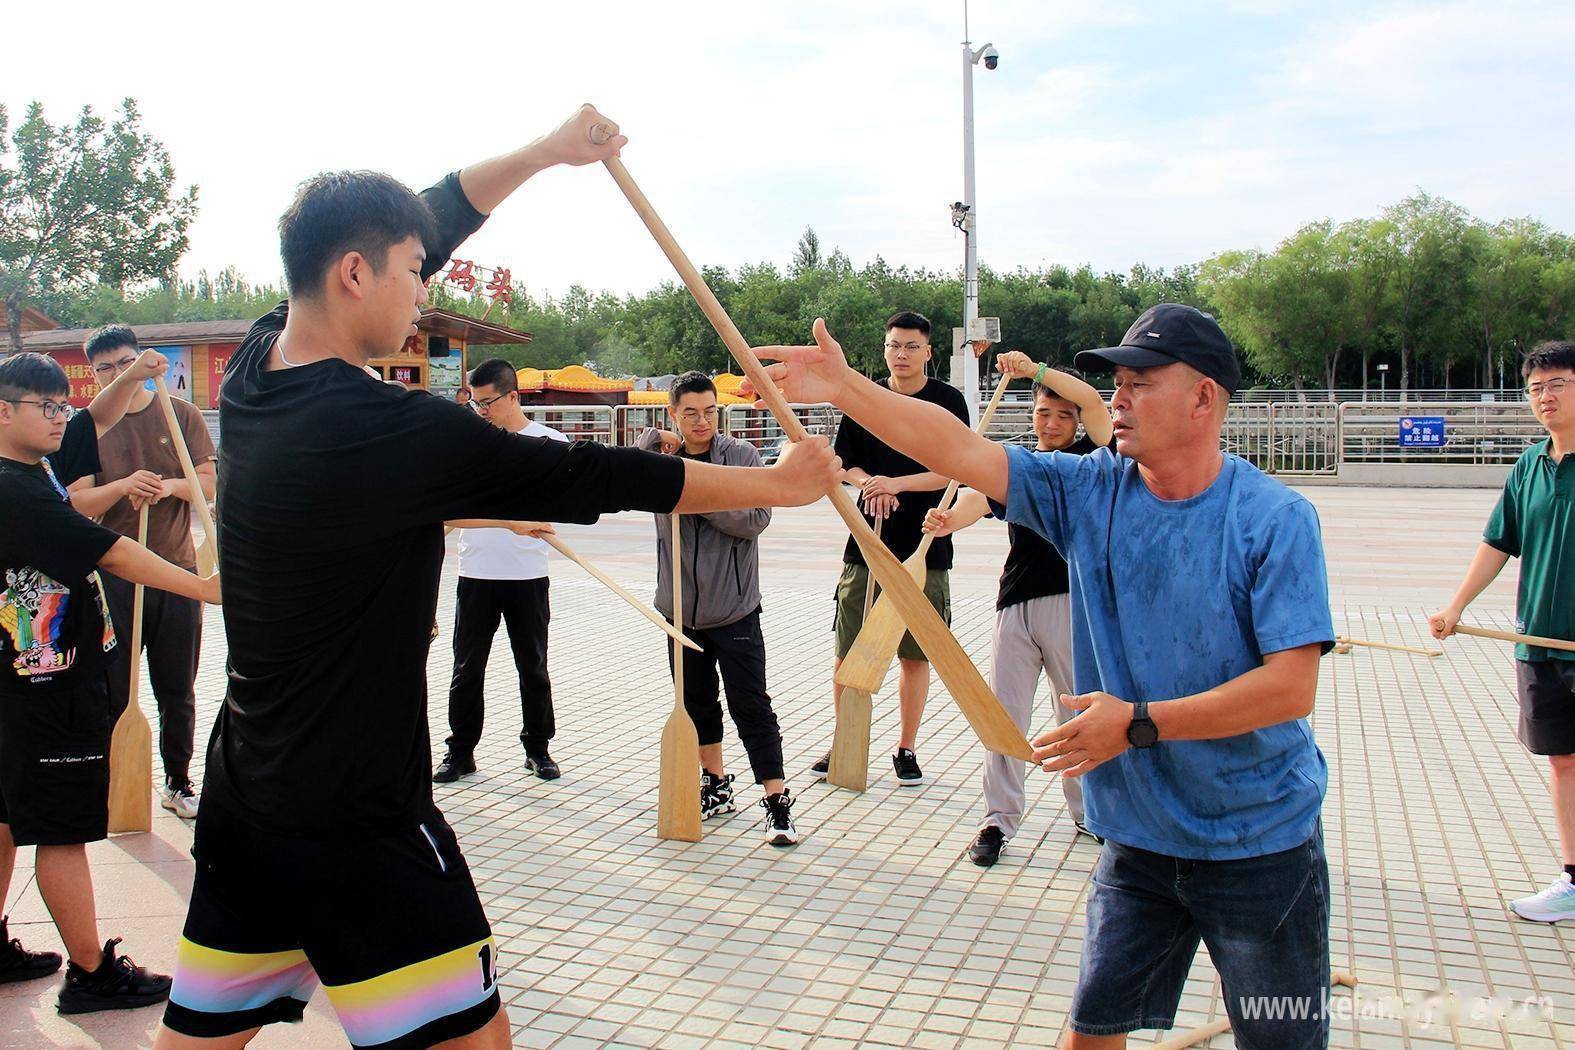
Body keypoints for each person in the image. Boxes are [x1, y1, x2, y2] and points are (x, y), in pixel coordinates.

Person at [152, 106, 838, 1050]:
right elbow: (597, 476)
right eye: (413, 272)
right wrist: (777, 482)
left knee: (202, 1035)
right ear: (355, 274)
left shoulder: (253, 369)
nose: (423, 292)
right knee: (475, 1041)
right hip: (357, 816)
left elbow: (428, 213)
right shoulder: (398, 429)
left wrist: (542, 155)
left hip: (247, 788)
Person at [751, 304, 1335, 1048]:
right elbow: (960, 451)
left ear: (1203, 398)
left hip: (1259, 845)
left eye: (1139, 384)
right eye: (1114, 383)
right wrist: (843, 388)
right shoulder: (1090, 492)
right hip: (1138, 842)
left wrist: (1137, 723)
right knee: (1090, 1033)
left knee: (1279, 1037)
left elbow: (1290, 689)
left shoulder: (1272, 518)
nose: (1115, 399)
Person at [0, 352, 221, 1014]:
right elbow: (114, 552)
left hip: (17, 677)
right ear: (3, 411)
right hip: (47, 683)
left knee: (5, 818)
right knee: (62, 829)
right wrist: (204, 588)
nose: (60, 418)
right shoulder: (13, 491)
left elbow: (91, 418)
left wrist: (129, 376)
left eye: (60, 405)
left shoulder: (30, 461)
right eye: (45, 407)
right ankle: (93, 973)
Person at [922, 355, 1112, 865]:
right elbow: (978, 498)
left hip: (1074, 607)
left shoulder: (1094, 462)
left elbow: (1095, 401)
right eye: (1043, 413)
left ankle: (1090, 814)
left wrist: (1036, 371)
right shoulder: (1023, 468)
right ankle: (997, 820)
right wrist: (947, 520)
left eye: (1061, 417)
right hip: (1015, 606)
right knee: (1003, 717)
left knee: (1074, 717)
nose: (1050, 424)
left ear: (1076, 425)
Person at [1430, 340, 1575, 924]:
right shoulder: (1529, 466)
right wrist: (1456, 606)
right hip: (1539, 645)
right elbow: (1498, 544)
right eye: (1536, 387)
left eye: (1559, 383)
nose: (1546, 396)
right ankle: (1573, 880)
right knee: (1563, 764)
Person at [636, 371, 798, 846]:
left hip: (735, 608)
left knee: (751, 705)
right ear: (674, 415)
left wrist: (699, 495)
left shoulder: (742, 458)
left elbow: (756, 519)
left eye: (709, 411)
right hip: (680, 612)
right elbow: (626, 473)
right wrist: (653, 443)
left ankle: (776, 799)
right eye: (689, 413)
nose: (701, 420)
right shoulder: (664, 461)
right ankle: (716, 783)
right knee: (696, 703)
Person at [811, 310, 970, 787]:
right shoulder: (866, 400)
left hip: (926, 545)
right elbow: (845, 465)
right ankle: (846, 739)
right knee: (849, 649)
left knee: (914, 653)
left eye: (911, 347)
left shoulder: (947, 402)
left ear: (928, 352)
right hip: (866, 542)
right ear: (885, 349)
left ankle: (906, 747)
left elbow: (956, 469)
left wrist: (895, 483)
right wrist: (870, 485)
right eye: (893, 346)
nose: (901, 354)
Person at [69, 325, 217, 820]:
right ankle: (111, 786)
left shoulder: (181, 415)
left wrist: (168, 485)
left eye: (125, 362)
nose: (119, 374)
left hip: (177, 573)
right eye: (105, 369)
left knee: (177, 688)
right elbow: (79, 501)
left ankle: (178, 781)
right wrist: (123, 486)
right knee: (112, 688)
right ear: (95, 377)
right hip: (113, 578)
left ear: (143, 360)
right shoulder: (88, 428)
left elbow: (207, 486)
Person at [436, 358, 568, 784]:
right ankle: (460, 752)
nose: (483, 412)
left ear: (513, 396)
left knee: (533, 665)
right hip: (476, 573)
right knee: (467, 667)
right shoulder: (471, 444)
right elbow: (450, 512)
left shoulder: (549, 443)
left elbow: (563, 502)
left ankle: (538, 748)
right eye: (475, 404)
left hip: (527, 576)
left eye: (488, 402)